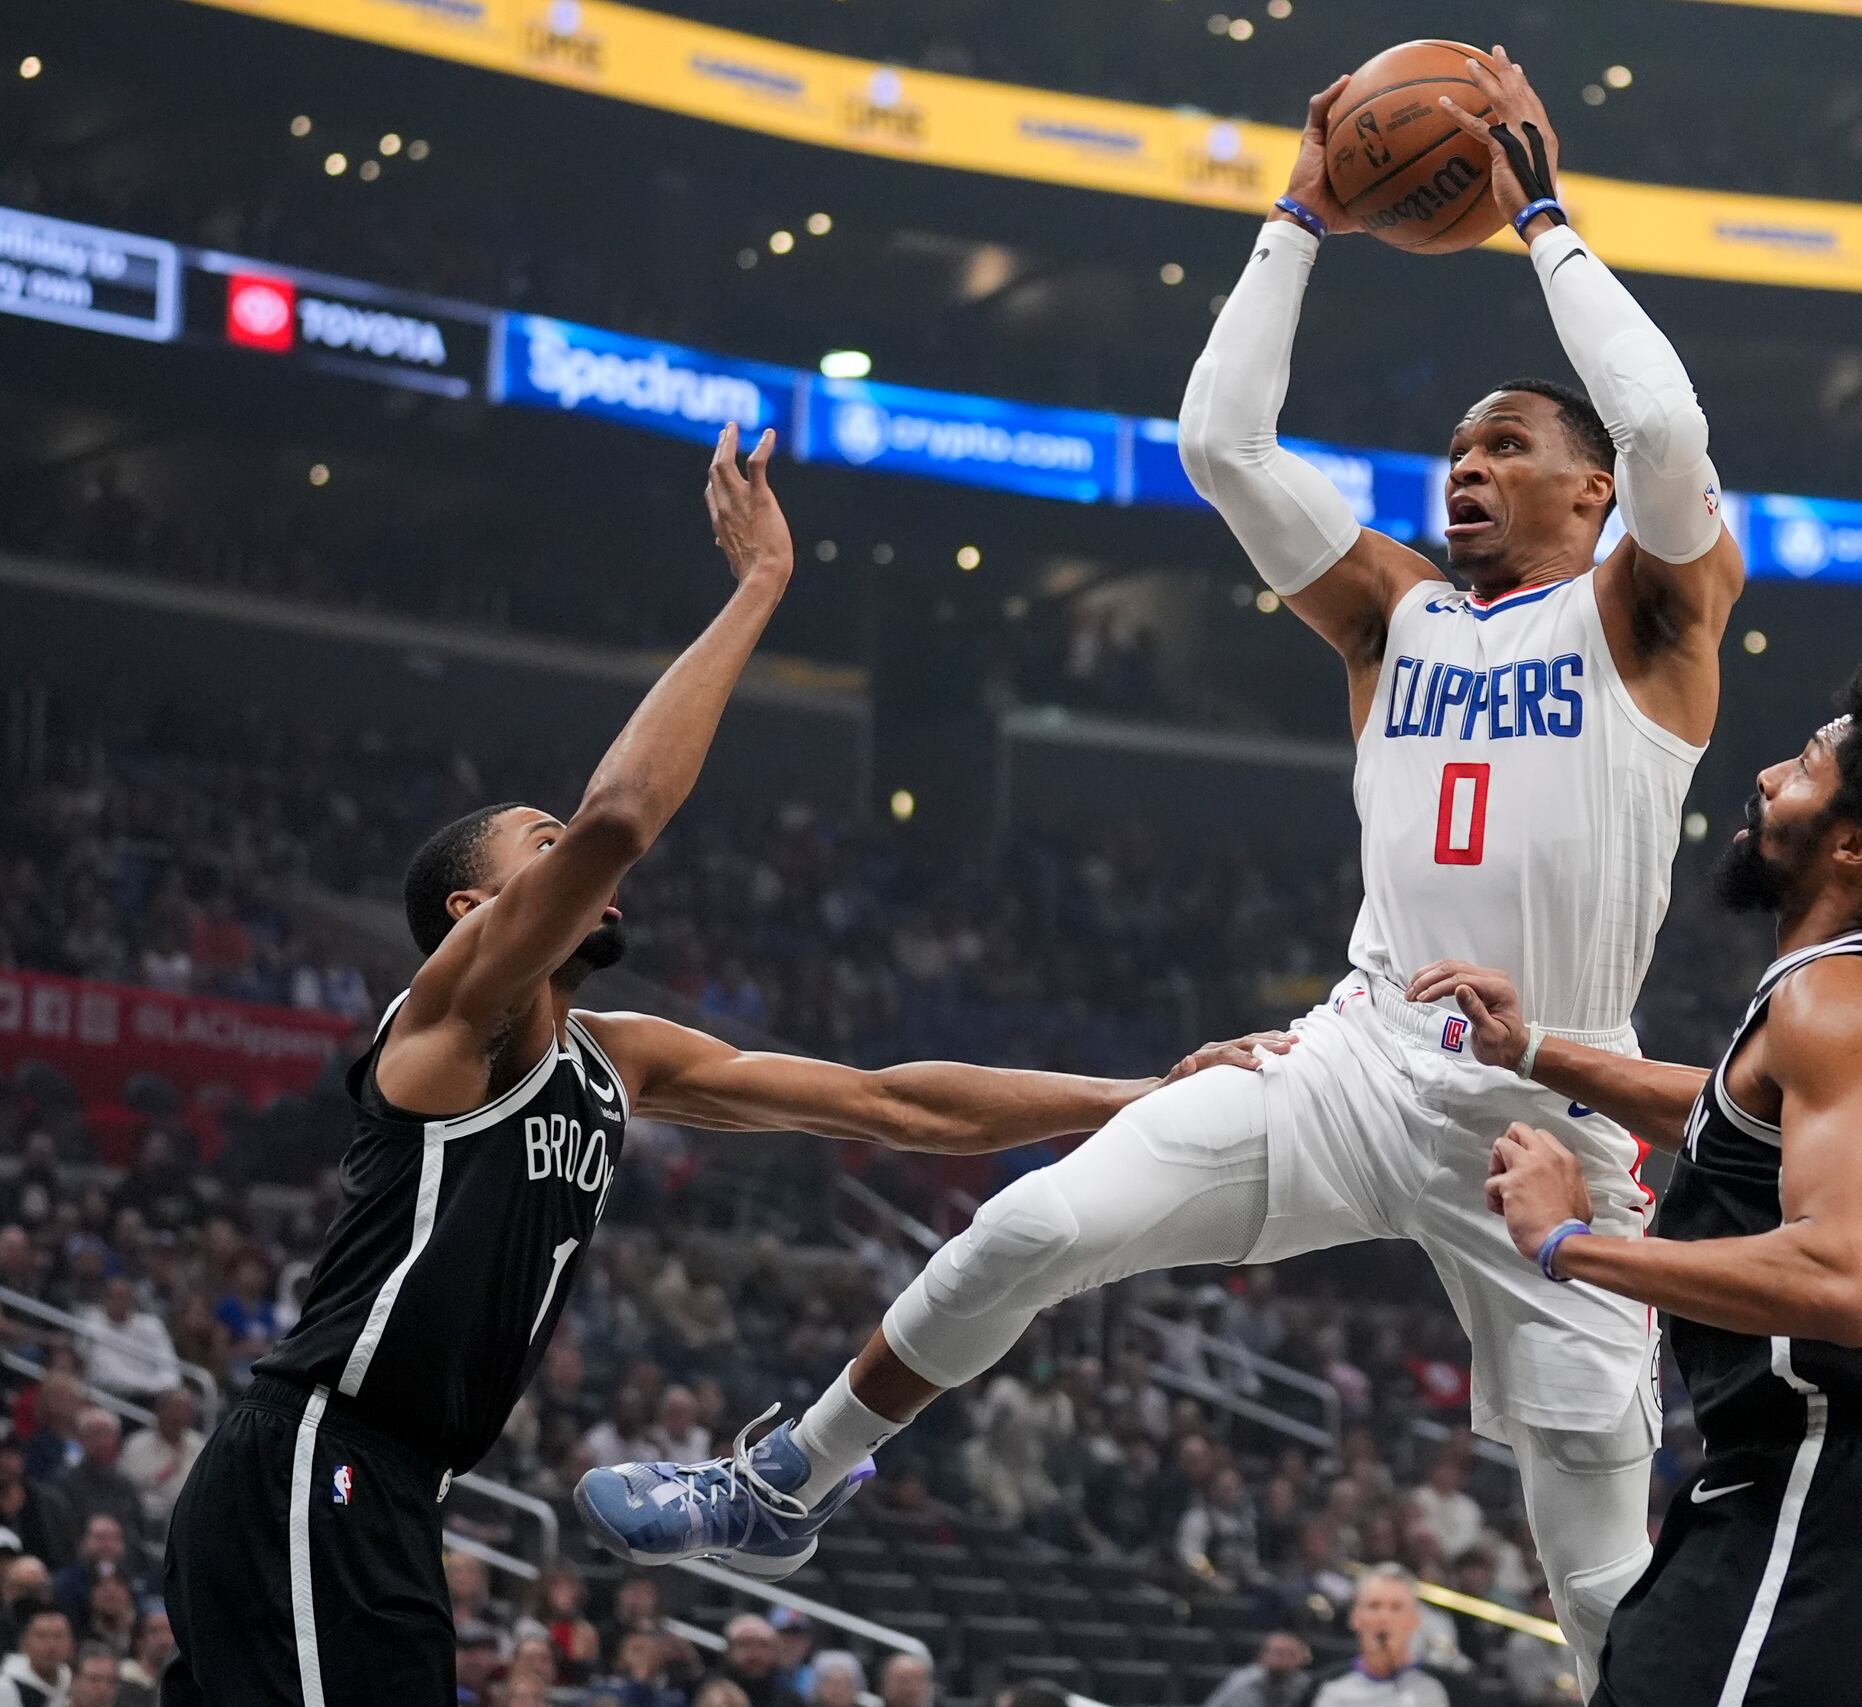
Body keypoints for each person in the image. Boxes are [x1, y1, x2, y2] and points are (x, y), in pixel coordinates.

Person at [586, 52, 1745, 1687]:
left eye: (1506, 446)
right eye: (1456, 449)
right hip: (1355, 1055)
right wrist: (1299, 210)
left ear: (1593, 488)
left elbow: (1672, 417)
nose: (1465, 468)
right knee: (1028, 1229)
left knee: (1606, 1589)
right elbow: (1219, 438)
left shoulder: (1651, 615)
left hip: (1552, 1113)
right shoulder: (1389, 611)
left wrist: (1542, 215)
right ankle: (786, 1479)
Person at [160, 431, 1270, 1707]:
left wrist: (1140, 1094)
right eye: (545, 842)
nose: (579, 848)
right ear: (475, 910)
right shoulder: (452, 1020)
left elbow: (891, 1103)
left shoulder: (613, 1058)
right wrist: (756, 590)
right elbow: (625, 815)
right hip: (318, 1451)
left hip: (395, 1484)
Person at [1418, 657, 1862, 1706]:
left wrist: (1569, 1246)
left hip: (1819, 1497)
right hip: (1849, 1511)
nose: (1763, 777)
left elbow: (1844, 1285)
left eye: (1801, 769)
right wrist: (1534, 1053)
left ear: (1851, 843)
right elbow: (1733, 1114)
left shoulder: (1836, 1000)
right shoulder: (1850, 995)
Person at [1312, 1568, 1450, 1707]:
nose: (1384, 1618)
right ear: (1355, 1617)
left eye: (1396, 1607)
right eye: (1374, 1606)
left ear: (1414, 1620)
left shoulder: (1448, 1686)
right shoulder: (1327, 1686)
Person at [115, 1392, 201, 1543]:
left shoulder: (199, 1444)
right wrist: (159, 1476)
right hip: (149, 1515)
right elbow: (126, 1485)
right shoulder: (136, 1444)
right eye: (173, 1411)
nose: (178, 1417)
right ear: (159, 1412)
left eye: (183, 1412)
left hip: (190, 1515)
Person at [70, 1284, 178, 1404]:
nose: (120, 1302)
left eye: (125, 1297)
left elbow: (170, 1369)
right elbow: (108, 1375)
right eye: (115, 1297)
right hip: (109, 1395)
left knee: (178, 1398)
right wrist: (150, 1386)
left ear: (133, 1300)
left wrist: (162, 1388)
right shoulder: (91, 1323)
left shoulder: (152, 1325)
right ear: (104, 1299)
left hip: (153, 1395)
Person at [51, 1421, 141, 1564]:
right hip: (77, 1560)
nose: (102, 1442)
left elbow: (137, 1526)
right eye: (94, 1435)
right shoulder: (65, 1483)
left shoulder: (125, 1484)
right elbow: (62, 1530)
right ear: (81, 1440)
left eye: (107, 1435)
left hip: (124, 1564)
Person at [1205, 1632, 1316, 1707]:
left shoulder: (1305, 1684)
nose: (1279, 1658)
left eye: (1289, 1654)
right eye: (1275, 1652)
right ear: (1262, 1655)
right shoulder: (1244, 1680)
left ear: (1301, 1658)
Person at [0, 1609, 71, 1707]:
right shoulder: (7, 1687)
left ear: (71, 1644)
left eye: (58, 1636)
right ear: (24, 1643)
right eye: (41, 1636)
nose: (51, 1646)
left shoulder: (74, 1681)